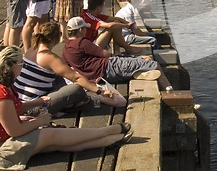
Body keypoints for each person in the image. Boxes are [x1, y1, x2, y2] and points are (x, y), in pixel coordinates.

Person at [0, 46, 133, 170]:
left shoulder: (8, 86)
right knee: (52, 135)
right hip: (5, 146)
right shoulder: (3, 94)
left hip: (9, 137)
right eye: (21, 64)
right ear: (11, 67)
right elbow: (14, 131)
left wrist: (37, 102)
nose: (23, 68)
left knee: (57, 144)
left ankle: (108, 140)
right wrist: (40, 121)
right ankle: (108, 131)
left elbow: (15, 107)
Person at [14, 21, 125, 113]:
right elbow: (76, 78)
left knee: (62, 76)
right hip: (33, 106)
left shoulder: (31, 50)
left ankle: (83, 96)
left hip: (19, 100)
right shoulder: (49, 57)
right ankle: (93, 96)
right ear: (56, 39)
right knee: (76, 88)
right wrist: (100, 91)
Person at [63, 17, 172, 91]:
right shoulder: (82, 43)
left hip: (100, 75)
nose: (86, 30)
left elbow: (69, 67)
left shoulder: (66, 48)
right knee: (153, 64)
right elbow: (106, 55)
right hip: (108, 67)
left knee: (136, 62)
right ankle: (170, 91)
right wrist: (131, 57)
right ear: (80, 29)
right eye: (85, 28)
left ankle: (137, 72)